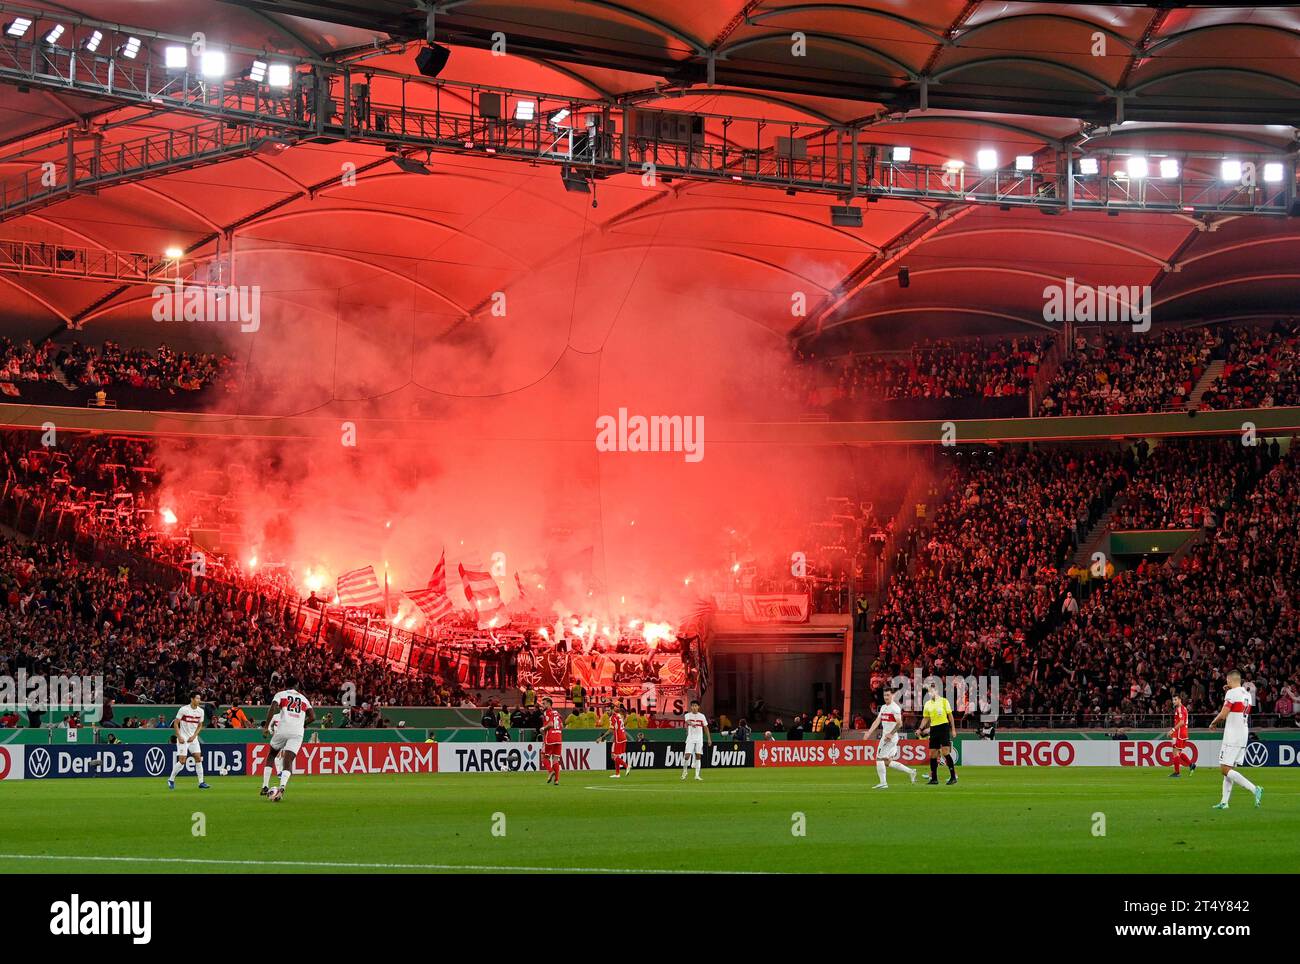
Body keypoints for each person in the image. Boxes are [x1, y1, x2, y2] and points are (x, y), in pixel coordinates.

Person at [1207, 669, 1262, 810]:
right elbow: (1237, 698)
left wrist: (1213, 722)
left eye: (1227, 680)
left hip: (1232, 734)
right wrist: (1230, 690)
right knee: (1229, 768)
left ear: (1230, 680)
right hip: (1243, 733)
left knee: (1224, 769)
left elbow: (1224, 714)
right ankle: (1224, 802)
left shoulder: (1231, 693)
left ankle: (1254, 789)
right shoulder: (1247, 694)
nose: (1226, 682)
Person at [262, 676, 315, 801]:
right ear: (296, 685)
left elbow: (273, 708)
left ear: (285, 685)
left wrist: (266, 727)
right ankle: (282, 786)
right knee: (288, 761)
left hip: (283, 729)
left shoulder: (281, 694)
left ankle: (265, 786)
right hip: (297, 732)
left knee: (271, 755)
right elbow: (313, 717)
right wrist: (303, 724)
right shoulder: (303, 699)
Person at [865, 690, 917, 788]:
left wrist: (891, 734)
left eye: (888, 695)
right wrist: (869, 732)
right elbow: (877, 721)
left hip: (890, 738)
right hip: (886, 737)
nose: (886, 697)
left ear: (892, 695)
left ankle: (883, 783)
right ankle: (911, 771)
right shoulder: (884, 707)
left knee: (879, 758)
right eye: (884, 695)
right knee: (886, 762)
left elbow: (900, 723)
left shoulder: (895, 708)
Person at [917, 682, 957, 785]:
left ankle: (953, 777)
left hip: (943, 727)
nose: (930, 693)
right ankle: (934, 779)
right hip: (933, 728)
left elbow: (950, 716)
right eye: (929, 691)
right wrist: (920, 729)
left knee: (945, 752)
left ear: (937, 691)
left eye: (932, 691)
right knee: (932, 754)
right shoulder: (927, 704)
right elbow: (926, 718)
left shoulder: (944, 701)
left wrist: (953, 729)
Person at [168, 691, 210, 790]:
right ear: (192, 699)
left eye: (199, 698)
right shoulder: (184, 709)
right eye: (197, 698)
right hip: (183, 737)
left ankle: (201, 782)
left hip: (193, 738)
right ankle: (171, 779)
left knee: (198, 758)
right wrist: (179, 736)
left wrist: (195, 735)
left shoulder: (201, 711)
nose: (199, 700)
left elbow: (200, 725)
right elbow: (176, 723)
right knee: (182, 761)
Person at [681, 699, 711, 782]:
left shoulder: (702, 716)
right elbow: (687, 722)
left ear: (698, 707)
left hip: (699, 738)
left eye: (695, 706)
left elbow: (706, 727)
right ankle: (685, 771)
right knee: (687, 756)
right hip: (690, 738)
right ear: (691, 707)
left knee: (698, 756)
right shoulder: (688, 715)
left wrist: (709, 738)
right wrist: (692, 723)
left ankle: (697, 775)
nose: (694, 707)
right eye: (692, 706)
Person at [597, 704, 629, 779]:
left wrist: (601, 737)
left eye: (608, 710)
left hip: (618, 738)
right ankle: (617, 774)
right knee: (616, 755)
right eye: (606, 711)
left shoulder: (612, 718)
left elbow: (611, 730)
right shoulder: (618, 715)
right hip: (623, 737)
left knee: (613, 756)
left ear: (612, 709)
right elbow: (623, 715)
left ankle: (626, 766)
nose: (607, 712)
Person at [1166, 693, 1195, 778]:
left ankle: (1177, 772)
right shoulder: (1181, 709)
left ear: (1180, 700)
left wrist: (1173, 730)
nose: (1174, 701)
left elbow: (1182, 722)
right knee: (1178, 752)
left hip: (1180, 732)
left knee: (1175, 752)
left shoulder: (1180, 709)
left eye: (1175, 699)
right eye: (1173, 699)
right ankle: (1191, 764)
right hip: (1181, 732)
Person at [540, 696, 564, 785]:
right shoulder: (557, 713)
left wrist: (543, 728)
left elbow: (550, 724)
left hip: (550, 737)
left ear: (549, 704)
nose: (542, 705)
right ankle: (557, 780)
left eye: (544, 703)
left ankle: (550, 771)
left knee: (544, 757)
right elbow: (561, 725)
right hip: (558, 737)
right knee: (555, 759)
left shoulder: (547, 712)